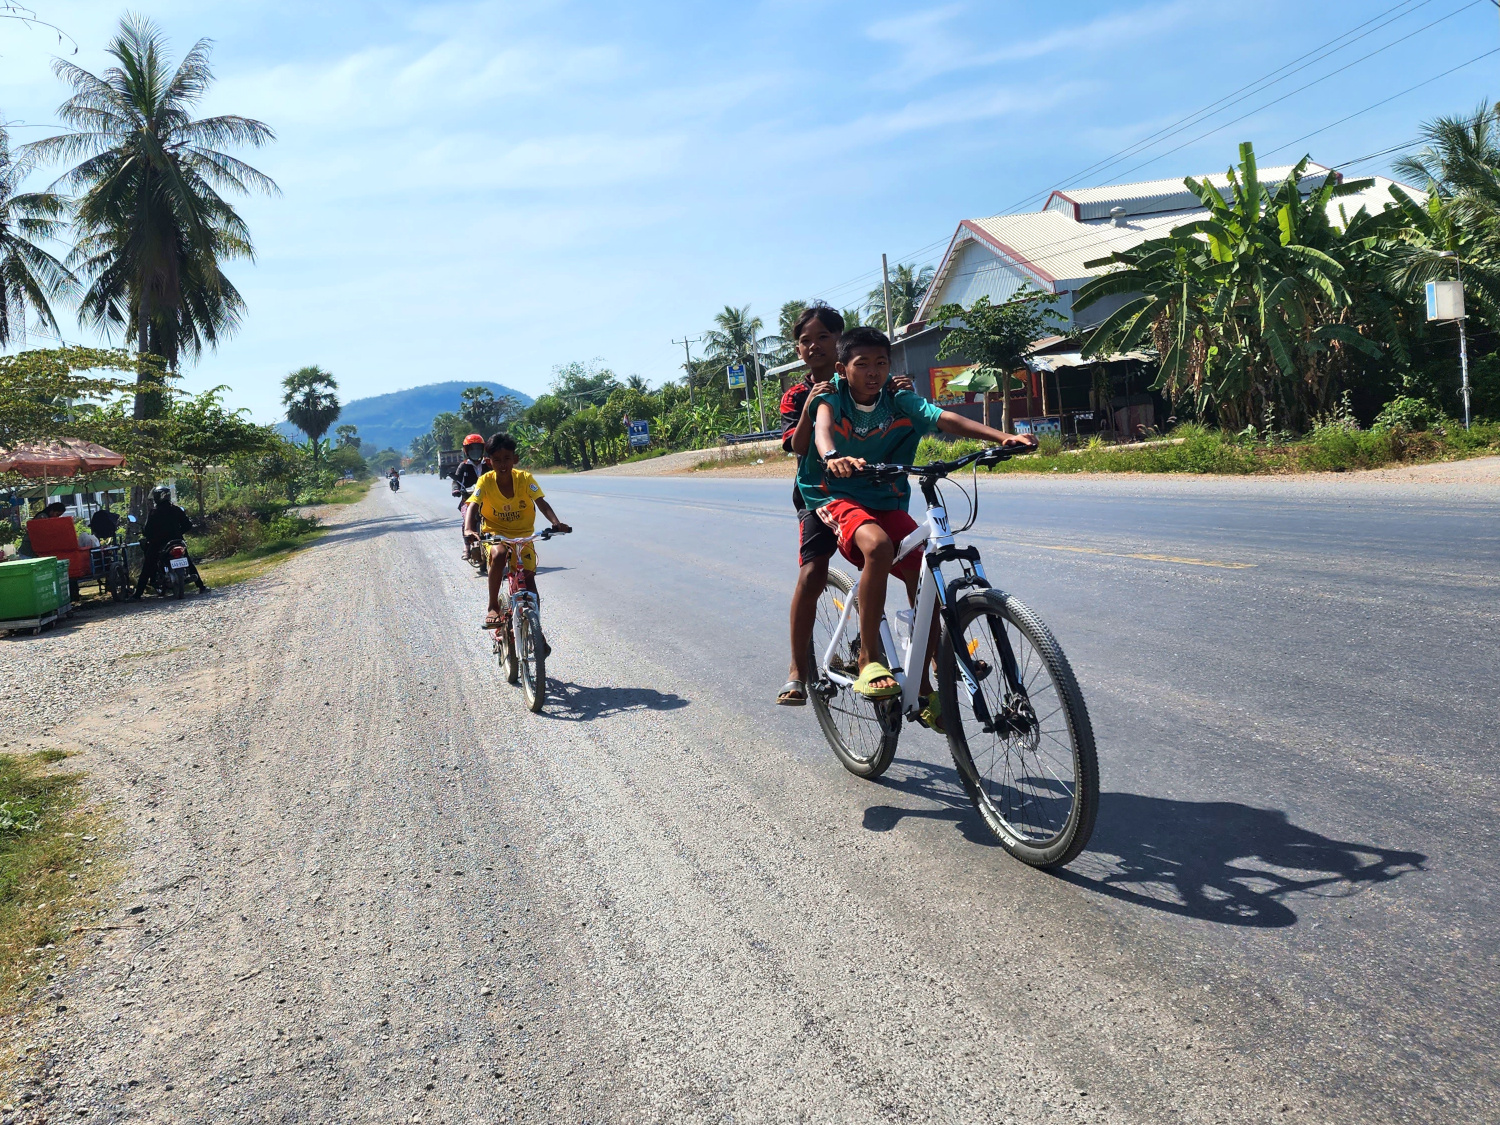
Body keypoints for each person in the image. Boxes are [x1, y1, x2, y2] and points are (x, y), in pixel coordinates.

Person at [809, 326, 1035, 729]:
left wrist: (1003, 437)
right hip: (837, 496)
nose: (874, 372)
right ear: (843, 369)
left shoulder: (899, 397)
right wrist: (833, 456)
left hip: (886, 499)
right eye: (863, 365)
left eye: (882, 363)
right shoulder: (832, 396)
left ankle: (927, 686)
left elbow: (942, 417)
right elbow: (822, 430)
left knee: (924, 574)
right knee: (877, 547)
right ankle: (868, 660)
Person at [777, 307, 911, 706]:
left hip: (873, 488)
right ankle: (798, 669)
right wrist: (808, 408)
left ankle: (927, 656)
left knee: (904, 562)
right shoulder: (797, 395)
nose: (812, 346)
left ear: (838, 340)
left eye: (821, 337)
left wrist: (900, 392)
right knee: (814, 571)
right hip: (822, 494)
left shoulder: (866, 380)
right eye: (804, 340)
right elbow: (797, 446)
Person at [462, 433, 571, 630]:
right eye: (496, 460)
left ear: (515, 459)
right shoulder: (485, 481)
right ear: (489, 461)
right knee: (499, 554)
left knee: (530, 586)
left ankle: (536, 632)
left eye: (507, 459)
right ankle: (493, 607)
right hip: (496, 534)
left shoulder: (525, 478)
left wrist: (556, 523)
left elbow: (541, 502)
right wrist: (469, 528)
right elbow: (472, 505)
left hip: (523, 537)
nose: (502, 464)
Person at [131, 487, 202, 598]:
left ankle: (138, 594)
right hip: (177, 541)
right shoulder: (176, 509)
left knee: (148, 566)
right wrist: (178, 532)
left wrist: (149, 535)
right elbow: (188, 525)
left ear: (157, 497)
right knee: (187, 560)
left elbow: (148, 530)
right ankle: (201, 586)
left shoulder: (154, 512)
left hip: (159, 543)